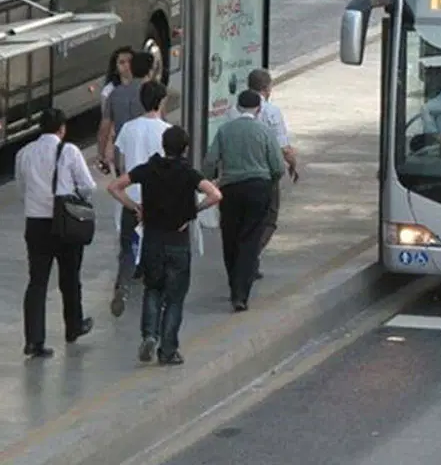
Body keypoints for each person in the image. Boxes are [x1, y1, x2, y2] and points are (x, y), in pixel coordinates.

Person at [108, 126, 221, 366]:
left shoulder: (148, 169)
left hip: (153, 240)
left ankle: (149, 335)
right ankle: (168, 350)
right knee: (175, 297)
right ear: (185, 148)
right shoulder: (189, 173)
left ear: (163, 145)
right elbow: (215, 195)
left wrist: (134, 207)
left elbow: (114, 186)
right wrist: (192, 213)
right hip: (178, 243)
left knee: (153, 289)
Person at [15, 109, 96, 358]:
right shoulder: (69, 151)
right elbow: (88, 186)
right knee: (70, 276)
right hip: (65, 222)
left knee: (37, 281)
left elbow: (21, 187)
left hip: (36, 223)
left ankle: (34, 341)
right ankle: (73, 326)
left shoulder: (24, 153)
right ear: (62, 128)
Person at [202, 89, 286, 312]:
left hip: (231, 189)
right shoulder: (264, 131)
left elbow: (210, 162)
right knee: (250, 239)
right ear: (258, 109)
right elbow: (278, 166)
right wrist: (270, 182)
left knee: (230, 237)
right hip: (258, 188)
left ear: (238, 108)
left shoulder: (224, 130)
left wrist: (208, 180)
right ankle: (242, 294)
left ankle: (233, 285)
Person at [107, 80, 172, 318]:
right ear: (161, 101)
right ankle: (152, 291)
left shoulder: (128, 128)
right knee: (156, 247)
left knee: (127, 246)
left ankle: (122, 285)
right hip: (156, 200)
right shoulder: (166, 131)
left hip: (131, 197)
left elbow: (122, 164)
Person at [246, 69, 299, 281]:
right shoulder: (271, 111)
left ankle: (247, 256)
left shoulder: (234, 110)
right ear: (266, 88)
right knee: (269, 219)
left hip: (239, 174)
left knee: (246, 220)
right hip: (266, 174)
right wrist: (292, 165)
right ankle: (251, 256)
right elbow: (283, 147)